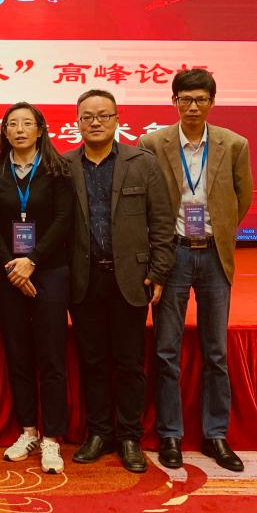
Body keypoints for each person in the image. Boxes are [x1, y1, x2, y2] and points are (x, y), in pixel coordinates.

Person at [138, 68, 253, 472]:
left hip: (214, 256)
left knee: (215, 350)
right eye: (185, 99)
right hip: (173, 255)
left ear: (212, 102)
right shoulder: (152, 144)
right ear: (174, 102)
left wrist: (217, 229)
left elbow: (241, 198)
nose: (192, 106)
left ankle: (215, 434)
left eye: (200, 99)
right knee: (166, 349)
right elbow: (146, 200)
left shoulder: (233, 144)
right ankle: (170, 434)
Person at [66, 89, 174, 474]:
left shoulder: (142, 163)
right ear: (77, 122)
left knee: (129, 362)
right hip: (84, 279)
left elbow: (162, 222)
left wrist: (158, 271)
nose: (95, 122)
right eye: (87, 116)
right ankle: (99, 432)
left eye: (103, 115)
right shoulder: (65, 165)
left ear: (116, 120)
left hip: (131, 278)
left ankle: (129, 436)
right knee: (93, 360)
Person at [0, 102, 73, 475]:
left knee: (51, 356)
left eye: (28, 123)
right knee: (18, 353)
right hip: (8, 273)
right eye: (13, 124)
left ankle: (52, 437)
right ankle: (28, 431)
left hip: (50, 270)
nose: (20, 129)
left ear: (40, 130)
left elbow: (63, 220)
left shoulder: (58, 169)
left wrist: (33, 260)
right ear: (4, 131)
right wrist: (13, 266)